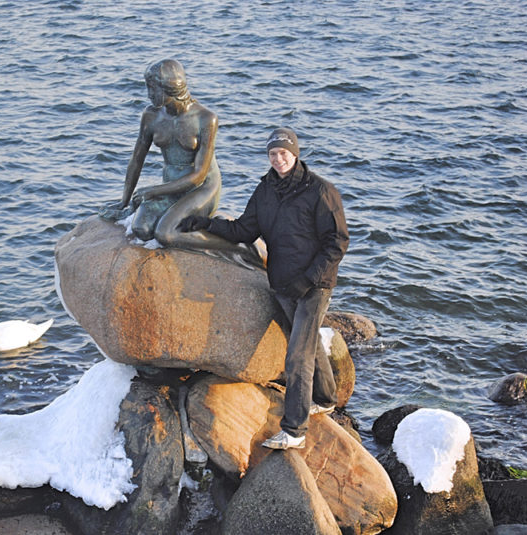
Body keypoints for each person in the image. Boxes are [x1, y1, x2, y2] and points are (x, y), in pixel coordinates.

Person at [178, 127, 349, 449]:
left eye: (283, 153)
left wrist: (308, 279)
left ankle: (294, 431)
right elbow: (244, 229)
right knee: (308, 344)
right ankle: (326, 397)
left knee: (297, 355)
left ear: (295, 154)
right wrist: (206, 224)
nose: (278, 159)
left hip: (314, 285)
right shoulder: (266, 190)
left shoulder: (321, 191)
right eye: (273, 154)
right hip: (283, 283)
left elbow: (337, 243)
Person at [99, 59, 261, 266]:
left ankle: (238, 247)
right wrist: (124, 200)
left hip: (202, 188)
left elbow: (199, 176)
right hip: (171, 186)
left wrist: (154, 191)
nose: (148, 94)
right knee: (142, 229)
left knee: (165, 234)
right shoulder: (151, 115)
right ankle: (202, 228)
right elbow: (136, 159)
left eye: (152, 88)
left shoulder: (206, 118)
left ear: (170, 87)